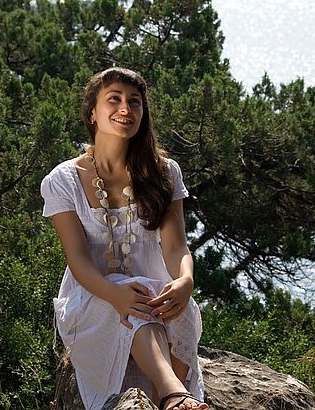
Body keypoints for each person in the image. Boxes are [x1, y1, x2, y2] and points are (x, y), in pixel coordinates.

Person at [40, 67, 209, 410]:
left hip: (152, 296)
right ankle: (176, 394)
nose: (125, 109)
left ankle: (171, 400)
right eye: (113, 99)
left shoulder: (164, 171)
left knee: (177, 308)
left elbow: (176, 246)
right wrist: (114, 293)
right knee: (132, 295)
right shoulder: (63, 180)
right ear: (92, 112)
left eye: (134, 102)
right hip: (93, 296)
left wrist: (186, 281)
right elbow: (78, 259)